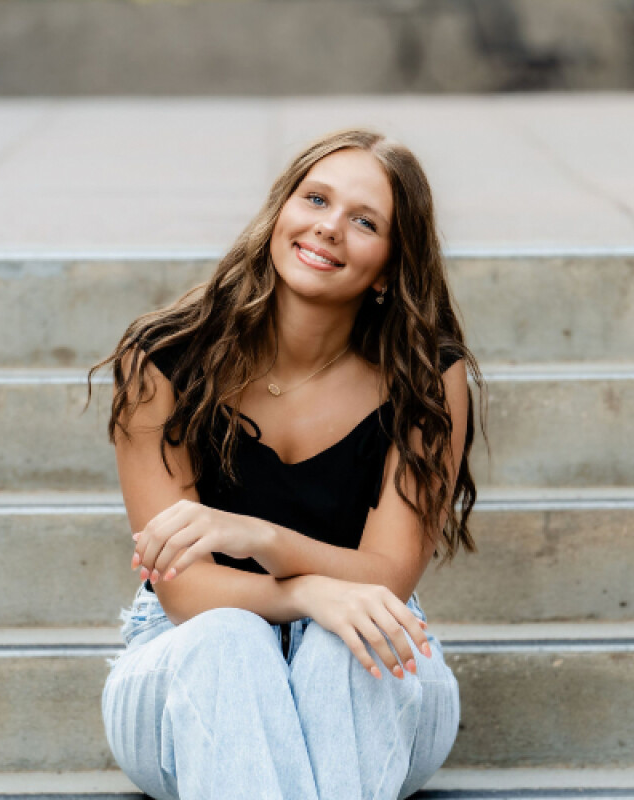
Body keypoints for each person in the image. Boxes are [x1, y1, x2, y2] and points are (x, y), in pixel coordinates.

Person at [86, 127, 486, 800]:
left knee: (347, 639)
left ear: (389, 267)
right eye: (316, 199)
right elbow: (184, 590)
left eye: (364, 221)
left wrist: (259, 538)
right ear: (280, 212)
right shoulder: (164, 358)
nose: (329, 227)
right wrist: (302, 594)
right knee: (229, 639)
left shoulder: (424, 376)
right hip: (188, 668)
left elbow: (388, 578)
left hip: (373, 669)